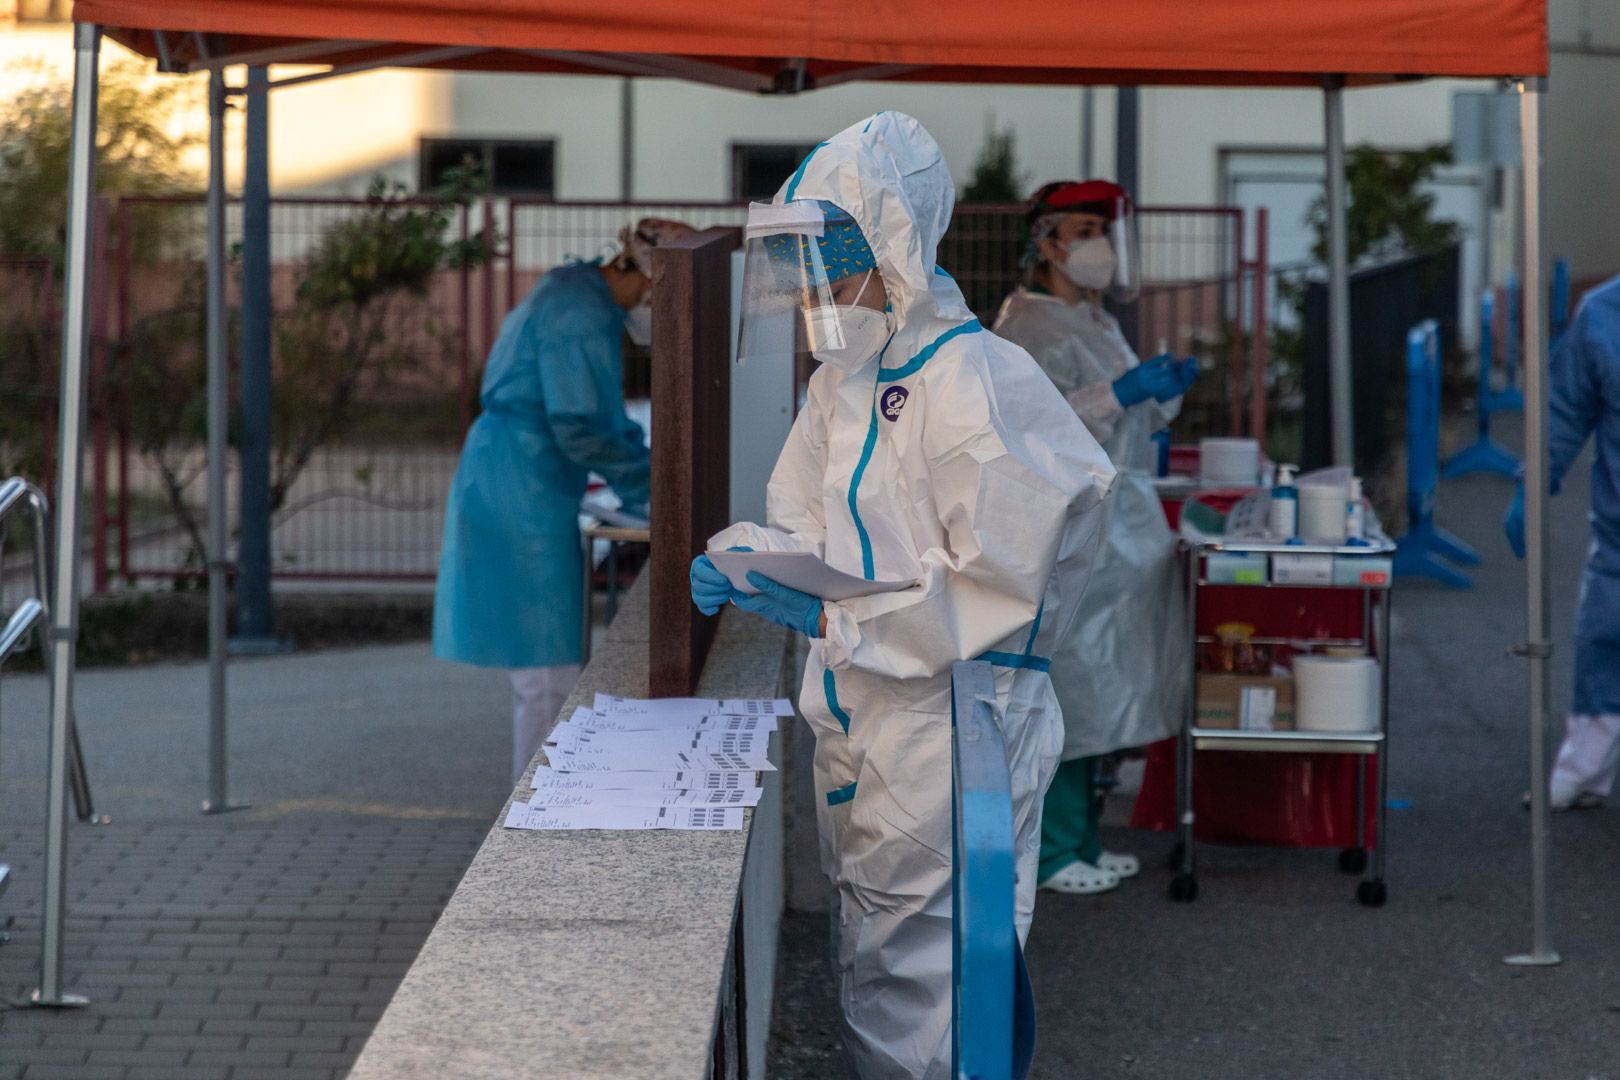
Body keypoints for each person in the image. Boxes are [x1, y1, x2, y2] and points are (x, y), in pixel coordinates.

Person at [689, 113, 1114, 1080]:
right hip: (863, 719)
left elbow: (1000, 592)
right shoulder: (846, 381)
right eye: (804, 274)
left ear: (895, 245)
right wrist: (747, 556)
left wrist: (836, 612)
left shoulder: (975, 383)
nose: (817, 297)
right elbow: (806, 520)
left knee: (936, 1004)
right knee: (878, 976)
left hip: (953, 730)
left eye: (834, 270)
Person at [435, 218, 693, 785]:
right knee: (547, 669)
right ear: (651, 280)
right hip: (522, 490)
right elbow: (583, 423)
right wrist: (658, 489)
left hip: (517, 474)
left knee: (543, 667)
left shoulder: (571, 287)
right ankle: (536, 808)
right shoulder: (581, 315)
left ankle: (540, 799)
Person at [993, 180, 1198, 895]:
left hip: (1120, 523)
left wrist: (1163, 387)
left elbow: (1135, 412)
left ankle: (1077, 839)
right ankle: (1050, 852)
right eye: (1083, 229)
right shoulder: (1026, 326)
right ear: (1046, 241)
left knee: (1103, 690)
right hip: (1070, 523)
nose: (1099, 245)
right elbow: (1029, 426)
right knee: (1069, 691)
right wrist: (1123, 393)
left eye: (1103, 228)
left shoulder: (1097, 319)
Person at [1506, 273, 1620, 810]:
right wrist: (1532, 484)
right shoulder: (1603, 314)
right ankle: (1585, 770)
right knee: (1604, 641)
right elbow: (1564, 409)